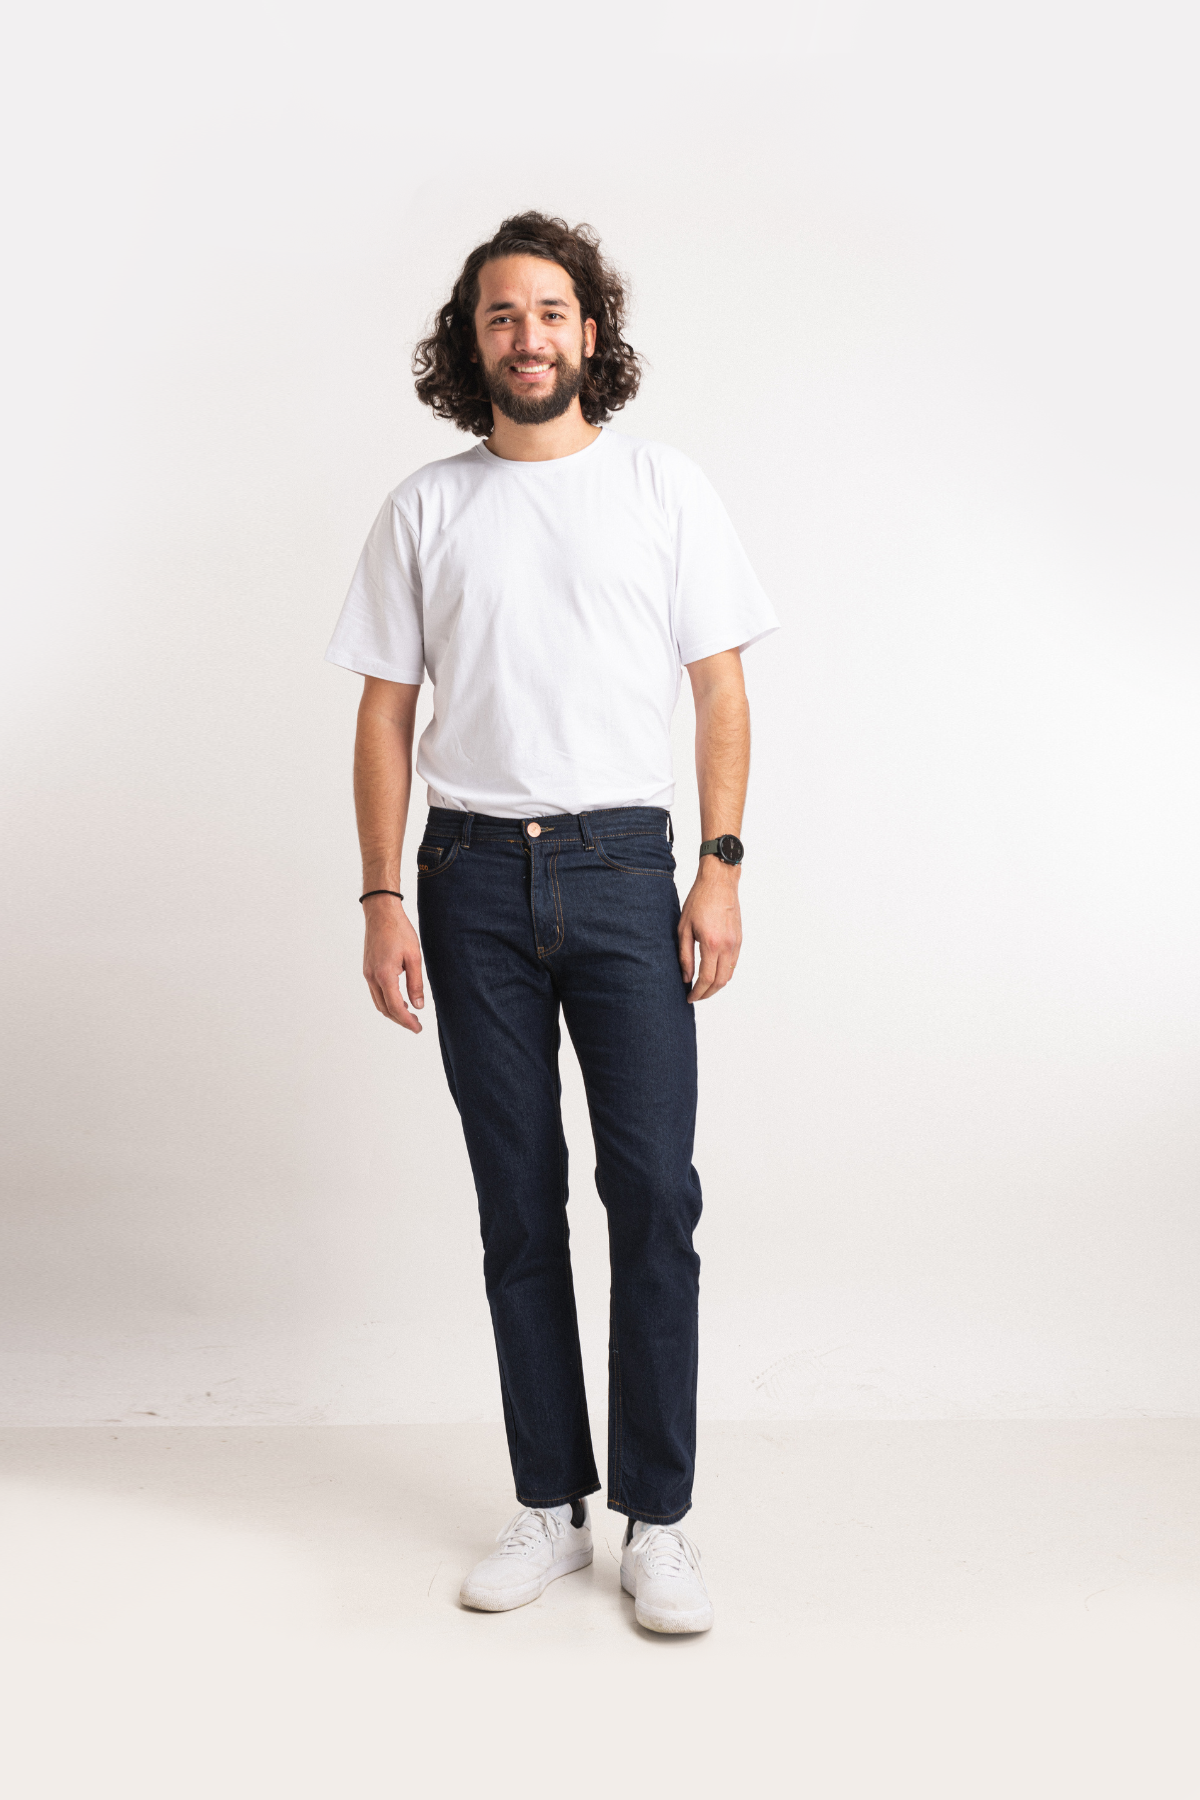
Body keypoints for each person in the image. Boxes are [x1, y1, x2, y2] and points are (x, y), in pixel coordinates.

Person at [326, 211, 777, 1634]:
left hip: (624, 869)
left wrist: (719, 866)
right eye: (501, 315)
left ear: (592, 330)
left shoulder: (662, 488)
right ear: (472, 344)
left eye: (551, 310)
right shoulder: (426, 508)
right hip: (466, 881)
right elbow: (386, 714)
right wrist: (382, 893)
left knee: (654, 1196)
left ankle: (660, 1521)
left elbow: (719, 688)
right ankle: (548, 1505)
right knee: (516, 1204)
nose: (528, 336)